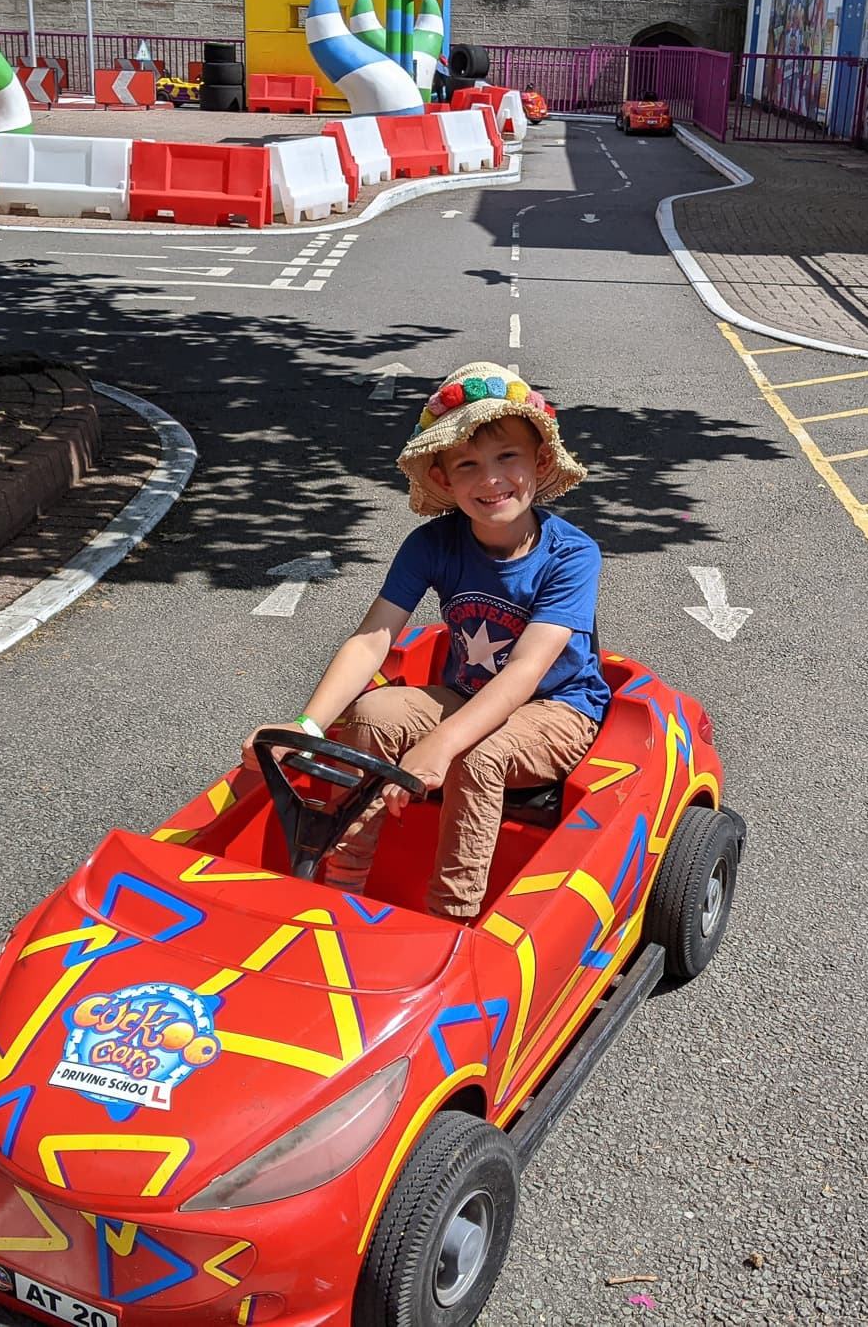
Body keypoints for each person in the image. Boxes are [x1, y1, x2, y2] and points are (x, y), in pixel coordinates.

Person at [242, 362, 609, 922]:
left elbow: (525, 672)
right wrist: (308, 726)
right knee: (372, 711)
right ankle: (340, 884)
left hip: (558, 710)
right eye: (467, 464)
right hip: (466, 693)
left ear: (539, 463)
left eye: (506, 457)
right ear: (443, 479)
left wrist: (440, 745)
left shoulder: (571, 553)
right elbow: (372, 640)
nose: (490, 479)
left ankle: (449, 921)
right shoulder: (432, 543)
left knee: (476, 753)